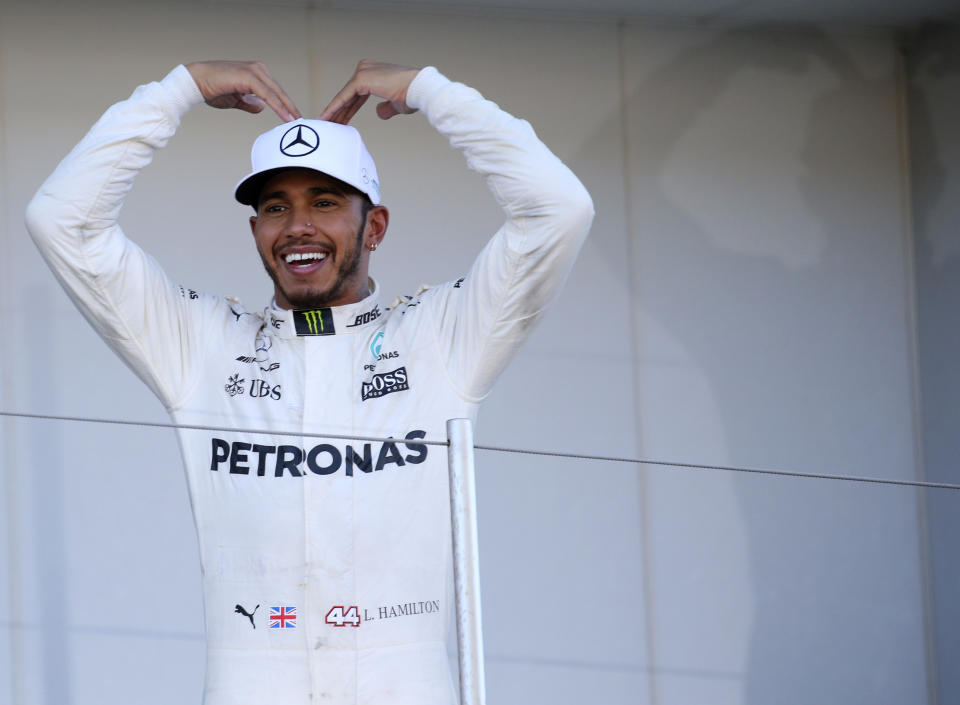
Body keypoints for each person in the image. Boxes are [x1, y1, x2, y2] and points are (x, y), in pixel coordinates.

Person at [26, 59, 593, 704]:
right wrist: (175, 91)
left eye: (324, 202)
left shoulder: (441, 335)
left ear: (373, 226)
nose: (298, 225)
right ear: (256, 231)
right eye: (276, 206)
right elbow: (62, 221)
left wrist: (432, 92)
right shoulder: (202, 343)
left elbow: (559, 209)